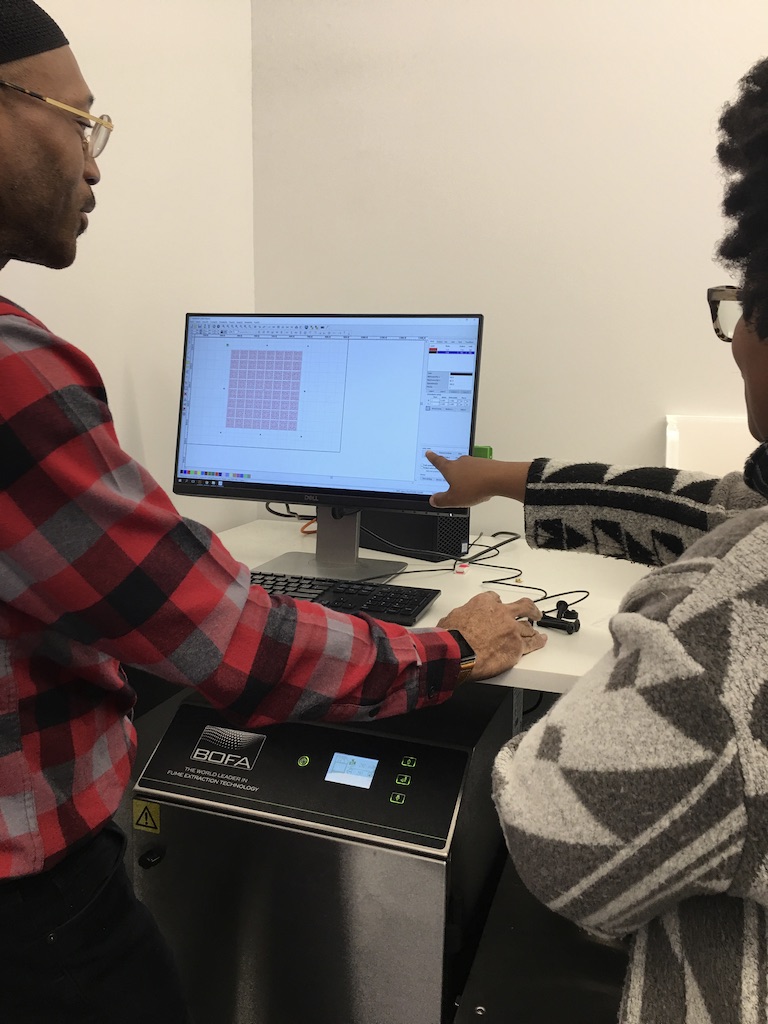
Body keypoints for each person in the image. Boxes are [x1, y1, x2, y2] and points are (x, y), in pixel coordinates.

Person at [0, 4, 547, 1022]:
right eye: (79, 120)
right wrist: (452, 651)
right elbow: (238, 647)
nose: (95, 162)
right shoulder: (15, 379)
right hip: (36, 910)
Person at [427, 58, 768, 1024]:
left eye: (739, 308)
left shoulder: (736, 622)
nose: (734, 339)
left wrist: (672, 597)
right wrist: (499, 479)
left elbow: (549, 831)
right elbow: (706, 502)